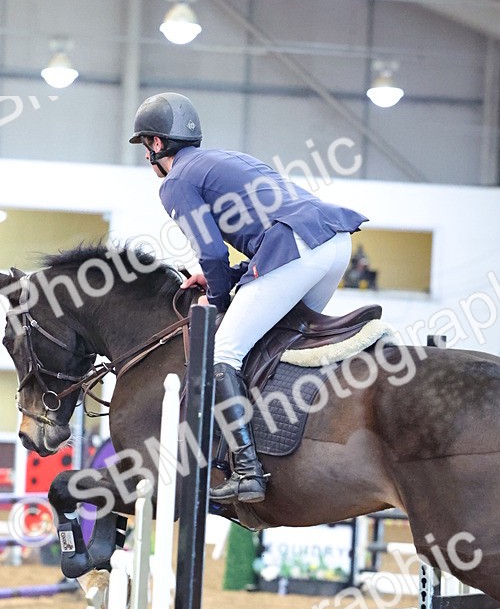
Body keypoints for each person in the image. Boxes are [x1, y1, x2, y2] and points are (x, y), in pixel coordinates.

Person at [130, 91, 367, 504]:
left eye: (145, 147)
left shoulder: (176, 182)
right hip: (332, 243)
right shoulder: (227, 160)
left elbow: (213, 252)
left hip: (296, 248)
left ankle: (247, 470)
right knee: (280, 340)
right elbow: (255, 250)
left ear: (154, 144)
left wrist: (218, 301)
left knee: (225, 350)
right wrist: (230, 278)